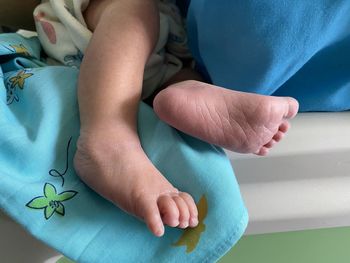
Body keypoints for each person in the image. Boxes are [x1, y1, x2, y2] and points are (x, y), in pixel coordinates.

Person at [0, 0, 299, 237]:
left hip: (165, 40)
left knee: (181, 67)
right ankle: (109, 139)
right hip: (89, 18)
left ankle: (184, 93)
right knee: (133, 13)